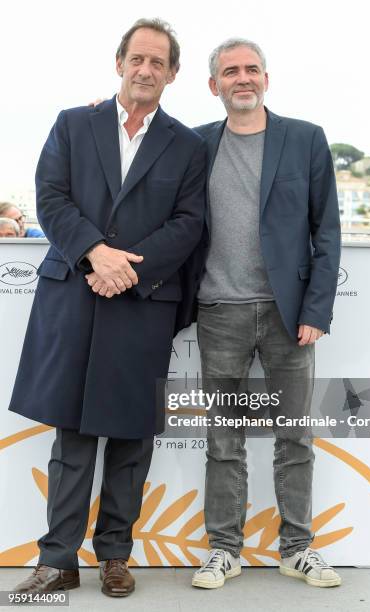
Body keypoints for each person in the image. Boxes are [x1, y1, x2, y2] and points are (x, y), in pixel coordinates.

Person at [9, 18, 206, 597]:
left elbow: (190, 223)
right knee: (71, 436)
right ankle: (57, 559)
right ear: (119, 62)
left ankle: (115, 557)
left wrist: (127, 270)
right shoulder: (73, 124)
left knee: (131, 439)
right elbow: (50, 196)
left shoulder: (188, 145)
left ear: (173, 74)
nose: (146, 70)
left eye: (158, 62)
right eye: (137, 59)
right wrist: (96, 254)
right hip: (75, 293)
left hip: (142, 304)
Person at [189, 38, 342, 589]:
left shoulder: (305, 139)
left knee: (295, 436)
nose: (243, 78)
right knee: (223, 439)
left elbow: (326, 231)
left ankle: (297, 548)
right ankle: (224, 550)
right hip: (219, 311)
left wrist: (316, 310)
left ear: (266, 79)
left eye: (252, 69)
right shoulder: (195, 144)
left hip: (289, 313)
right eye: (231, 71)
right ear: (215, 85)